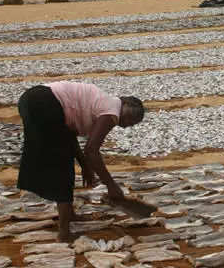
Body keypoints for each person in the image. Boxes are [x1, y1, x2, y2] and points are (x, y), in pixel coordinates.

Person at [17, 81, 145, 241]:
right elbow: (91, 150)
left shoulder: (100, 103)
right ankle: (64, 233)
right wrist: (111, 185)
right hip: (45, 102)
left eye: (131, 124)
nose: (126, 124)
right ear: (123, 102)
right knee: (62, 169)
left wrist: (85, 166)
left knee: (63, 160)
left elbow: (70, 137)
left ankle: (69, 215)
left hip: (30, 100)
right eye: (129, 117)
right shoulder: (112, 110)